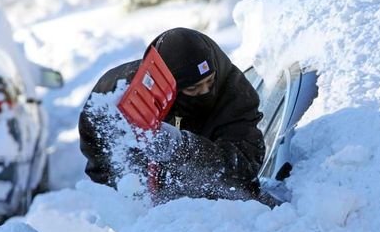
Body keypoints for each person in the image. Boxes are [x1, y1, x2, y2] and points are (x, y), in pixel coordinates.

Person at [78, 27, 269, 205]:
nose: (205, 91)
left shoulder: (234, 95)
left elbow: (244, 171)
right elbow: (98, 152)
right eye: (193, 88)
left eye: (210, 81)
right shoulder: (121, 90)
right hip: (147, 214)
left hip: (213, 213)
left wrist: (181, 147)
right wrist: (128, 192)